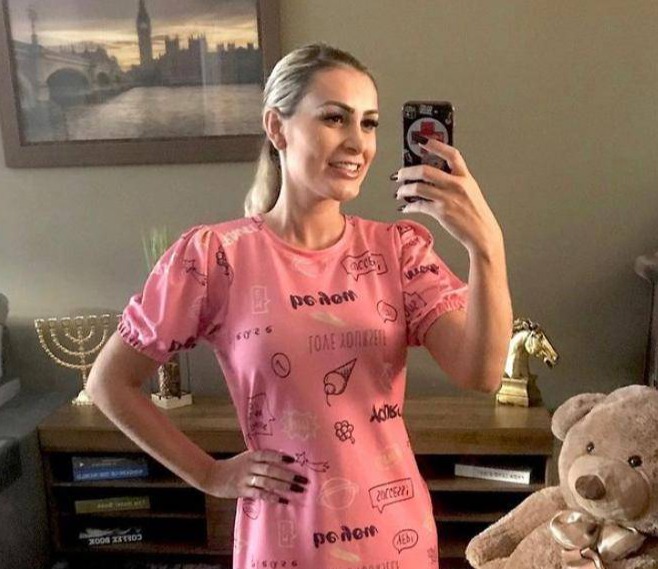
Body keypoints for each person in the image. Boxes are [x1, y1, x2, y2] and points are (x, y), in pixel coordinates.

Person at [87, 42, 512, 568]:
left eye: (369, 123)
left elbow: (482, 372)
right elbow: (109, 382)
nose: (357, 142)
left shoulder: (398, 252)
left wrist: (487, 247)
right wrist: (209, 474)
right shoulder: (216, 256)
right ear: (277, 127)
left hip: (394, 537)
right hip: (283, 540)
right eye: (335, 118)